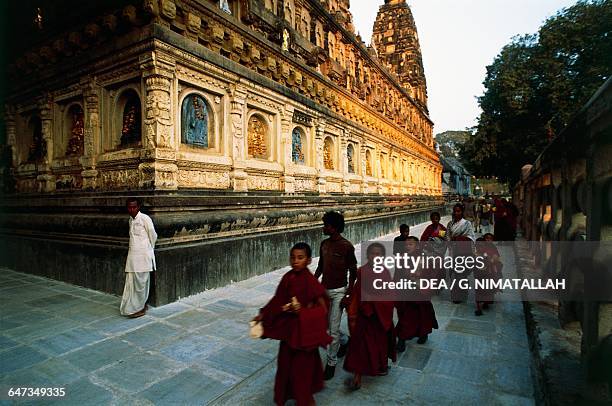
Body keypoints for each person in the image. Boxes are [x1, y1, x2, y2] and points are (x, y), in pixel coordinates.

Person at [253, 243, 331, 406]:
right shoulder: (288, 277)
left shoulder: (310, 281)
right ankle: (292, 396)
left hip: (304, 337)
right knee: (285, 369)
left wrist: (302, 311)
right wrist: (263, 314)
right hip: (289, 334)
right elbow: (278, 300)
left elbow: (323, 310)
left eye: (300, 258)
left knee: (302, 373)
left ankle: (306, 400)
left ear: (309, 260)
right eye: (293, 257)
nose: (295, 261)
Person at [343, 242, 396, 390]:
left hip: (378, 316)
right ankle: (357, 376)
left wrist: (374, 298)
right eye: (372, 253)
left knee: (379, 344)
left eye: (378, 254)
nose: (375, 256)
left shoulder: (385, 273)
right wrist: (352, 305)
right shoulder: (362, 271)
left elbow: (389, 294)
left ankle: (380, 366)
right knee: (359, 345)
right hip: (364, 315)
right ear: (367, 256)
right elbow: (357, 291)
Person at [314, 211, 357, 380]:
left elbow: (353, 272)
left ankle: (331, 363)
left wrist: (348, 294)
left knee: (332, 331)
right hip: (324, 290)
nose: (324, 227)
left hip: (340, 291)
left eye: (327, 225)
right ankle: (345, 341)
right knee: (325, 326)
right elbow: (320, 266)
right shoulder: (324, 244)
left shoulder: (347, 246)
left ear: (334, 228)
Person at [395, 237, 439, 351]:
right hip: (406, 291)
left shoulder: (424, 258)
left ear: (418, 246)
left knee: (423, 314)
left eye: (411, 244)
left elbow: (430, 275)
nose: (407, 246)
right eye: (406, 245)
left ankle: (423, 333)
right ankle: (402, 339)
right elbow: (398, 275)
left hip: (420, 291)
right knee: (406, 316)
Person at [120, 197, 157, 318]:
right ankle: (132, 307)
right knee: (133, 282)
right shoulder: (131, 220)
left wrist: (147, 249)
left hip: (143, 256)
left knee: (142, 282)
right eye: (129, 207)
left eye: (134, 207)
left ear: (138, 207)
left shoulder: (145, 218)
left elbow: (153, 235)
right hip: (132, 257)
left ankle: (140, 306)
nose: (132, 209)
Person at [446, 203, 476, 303]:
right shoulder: (450, 224)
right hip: (453, 251)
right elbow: (447, 236)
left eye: (458, 211)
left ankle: (462, 294)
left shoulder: (467, 223)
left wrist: (458, 239)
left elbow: (471, 237)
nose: (456, 213)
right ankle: (456, 295)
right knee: (454, 274)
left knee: (461, 274)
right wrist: (450, 241)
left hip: (463, 252)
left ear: (462, 212)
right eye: (455, 211)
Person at [474, 233, 503, 316]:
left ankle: (486, 302)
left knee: (489, 289)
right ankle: (478, 307)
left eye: (490, 239)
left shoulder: (493, 247)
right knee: (479, 290)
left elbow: (496, 257)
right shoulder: (479, 248)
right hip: (480, 273)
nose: (488, 240)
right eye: (487, 238)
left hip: (490, 271)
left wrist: (492, 261)